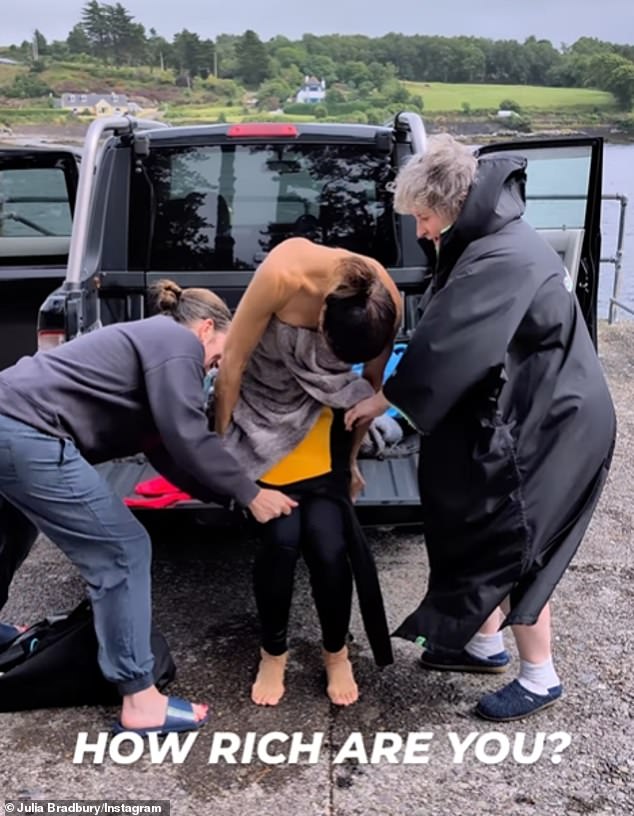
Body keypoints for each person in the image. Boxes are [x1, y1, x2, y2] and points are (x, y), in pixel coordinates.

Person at [345, 135, 616, 721]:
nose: (420, 231)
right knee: (470, 516)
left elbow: (448, 345)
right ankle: (482, 644)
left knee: (516, 538)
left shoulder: (502, 256)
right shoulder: (488, 239)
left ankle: (541, 677)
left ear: (449, 205)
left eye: (422, 217)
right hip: (528, 402)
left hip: (558, 419)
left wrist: (384, 402)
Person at [0, 280, 297, 734]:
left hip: (8, 420)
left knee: (12, 530)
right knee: (122, 550)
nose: (220, 365)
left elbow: (167, 453)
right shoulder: (174, 341)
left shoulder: (150, 349)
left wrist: (230, 499)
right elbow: (186, 434)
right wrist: (251, 492)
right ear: (206, 328)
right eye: (222, 350)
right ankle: (140, 700)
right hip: (25, 432)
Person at [214, 237, 402, 706]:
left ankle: (336, 652)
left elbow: (368, 391)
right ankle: (272, 652)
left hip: (323, 427)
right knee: (280, 542)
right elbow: (232, 365)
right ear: (321, 319)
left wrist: (353, 461)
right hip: (263, 414)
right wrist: (221, 459)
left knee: (329, 546)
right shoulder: (282, 274)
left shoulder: (384, 297)